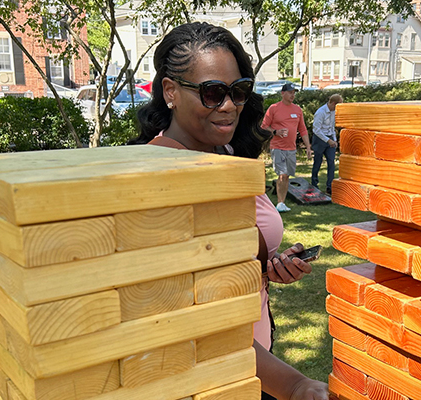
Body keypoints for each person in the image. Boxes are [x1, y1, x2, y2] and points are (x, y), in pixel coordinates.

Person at [128, 22, 329, 400]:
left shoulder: (226, 155)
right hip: (210, 373)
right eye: (212, 93)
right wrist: (295, 385)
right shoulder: (163, 176)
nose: (229, 106)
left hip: (255, 355)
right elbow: (187, 316)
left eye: (237, 91)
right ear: (170, 91)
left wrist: (267, 268)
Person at [262, 83, 312, 213]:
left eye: (294, 93)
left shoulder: (297, 110)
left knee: (287, 176)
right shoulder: (274, 108)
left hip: (291, 148)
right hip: (277, 147)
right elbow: (264, 126)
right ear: (282, 93)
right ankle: (280, 202)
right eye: (290, 92)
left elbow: (302, 129)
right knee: (282, 175)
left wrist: (308, 147)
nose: (292, 95)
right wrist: (275, 132)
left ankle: (282, 203)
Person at [310, 94, 343, 195]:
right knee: (318, 162)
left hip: (330, 138)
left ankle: (330, 186)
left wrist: (334, 139)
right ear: (333, 103)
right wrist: (327, 140)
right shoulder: (321, 112)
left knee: (331, 162)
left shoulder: (333, 112)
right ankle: (314, 184)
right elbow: (316, 129)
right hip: (320, 139)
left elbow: (332, 127)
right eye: (338, 106)